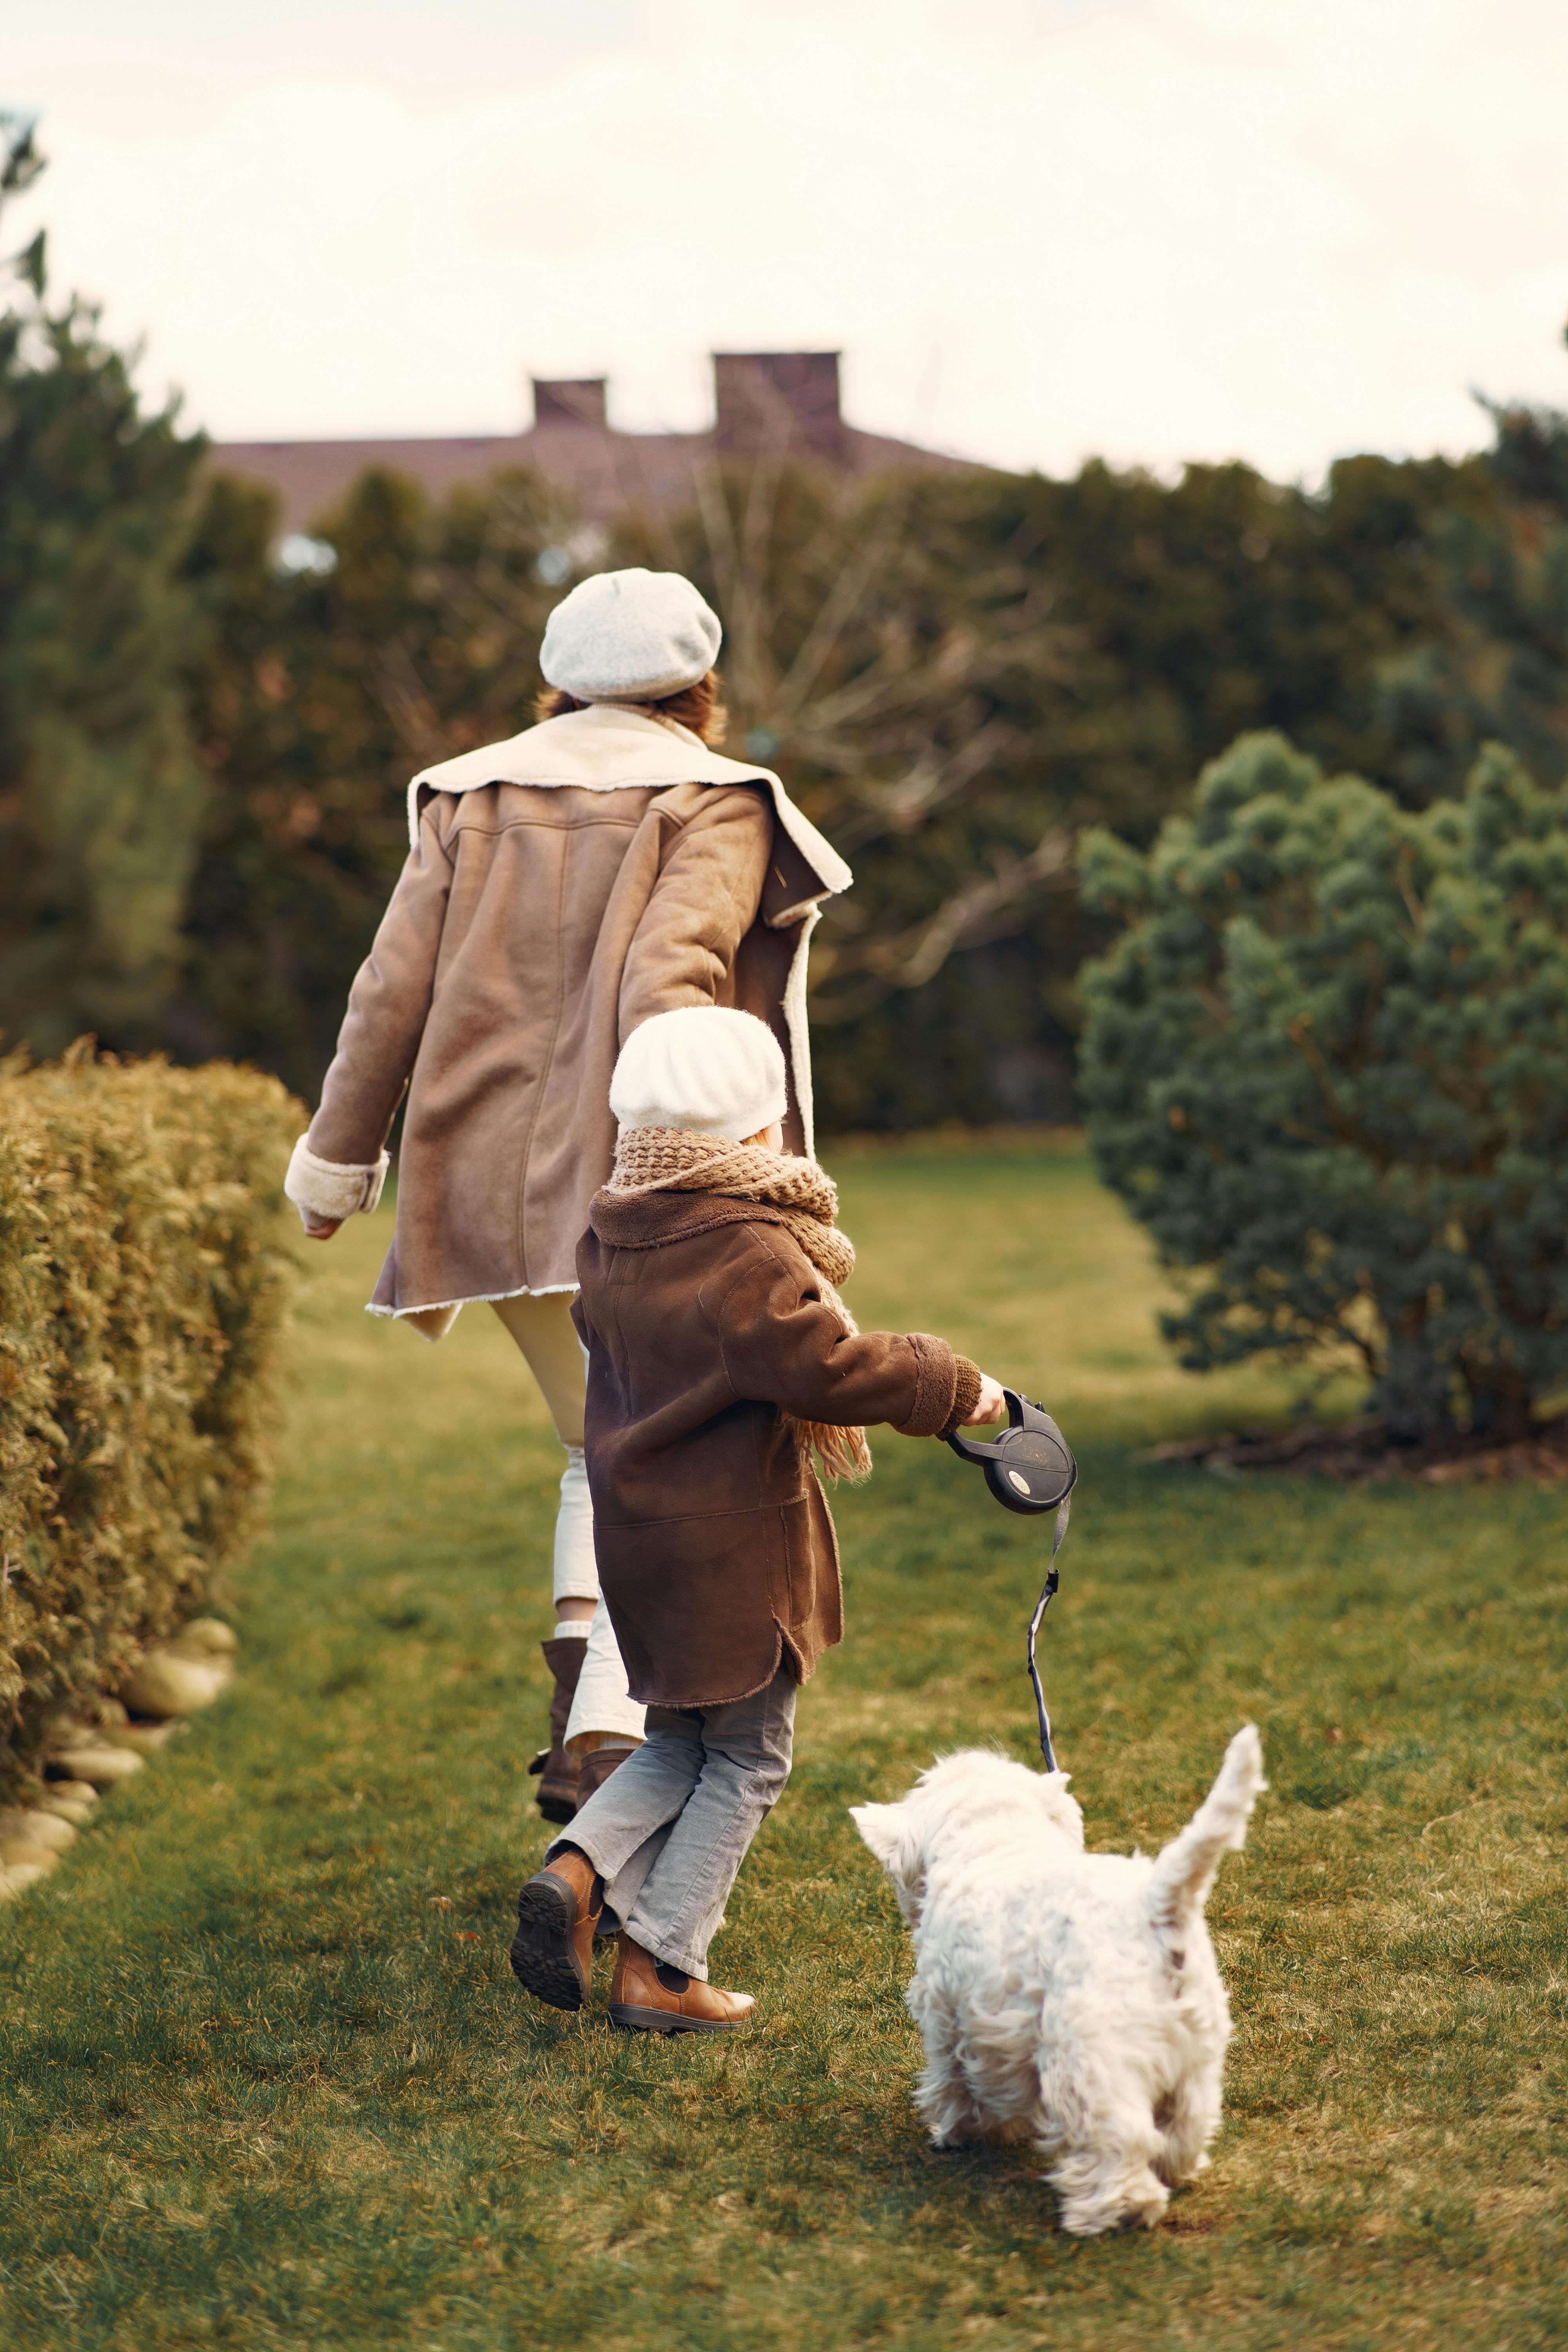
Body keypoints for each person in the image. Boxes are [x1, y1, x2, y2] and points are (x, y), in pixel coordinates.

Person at [281, 569, 851, 1820]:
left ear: (559, 680)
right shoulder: (714, 799)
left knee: (600, 1447)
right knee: (639, 1449)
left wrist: (337, 1163)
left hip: (474, 1184)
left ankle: (587, 1723)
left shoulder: (469, 797)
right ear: (700, 687)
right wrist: (700, 1165)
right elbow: (672, 983)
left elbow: (387, 992)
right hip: (629, 1182)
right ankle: (600, 1731)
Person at [507, 1005, 1007, 2033]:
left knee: (677, 1743)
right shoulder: (749, 1255)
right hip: (729, 1555)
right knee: (746, 1756)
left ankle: (575, 1870)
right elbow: (826, 1367)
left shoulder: (613, 1233)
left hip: (638, 1544)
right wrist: (955, 1385)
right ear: (759, 1127)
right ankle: (663, 1968)